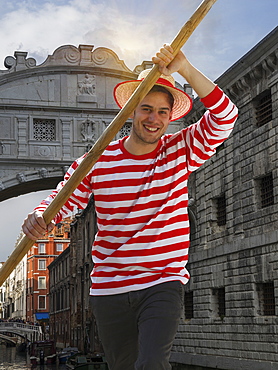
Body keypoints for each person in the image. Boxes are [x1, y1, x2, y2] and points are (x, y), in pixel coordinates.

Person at [22, 44, 238, 370]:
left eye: (163, 112)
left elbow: (225, 117)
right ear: (131, 111)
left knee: (152, 363)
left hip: (162, 281)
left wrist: (186, 68)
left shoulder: (181, 149)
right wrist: (41, 216)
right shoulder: (95, 162)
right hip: (110, 288)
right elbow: (62, 201)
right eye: (146, 109)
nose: (154, 119)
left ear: (170, 117)